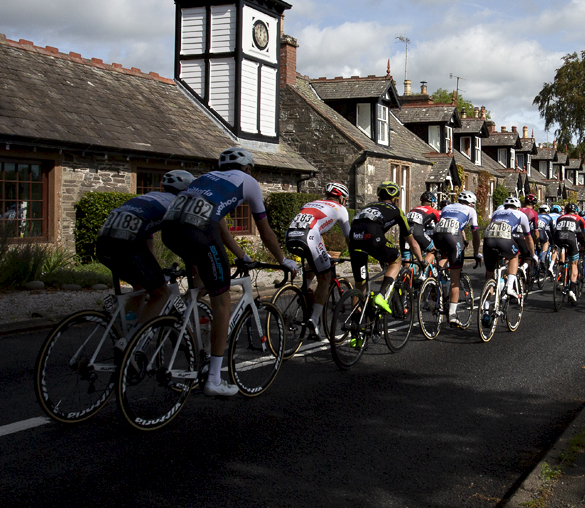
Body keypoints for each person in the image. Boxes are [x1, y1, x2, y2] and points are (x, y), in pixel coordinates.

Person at [161, 148, 298, 397]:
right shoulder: (248, 182)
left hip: (170, 230)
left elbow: (221, 228)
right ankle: (214, 379)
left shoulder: (205, 179)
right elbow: (265, 231)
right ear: (247, 168)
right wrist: (283, 259)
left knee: (206, 281)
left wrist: (243, 256)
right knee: (222, 301)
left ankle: (180, 316)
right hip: (200, 231)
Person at [96, 170, 195, 339]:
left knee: (141, 287)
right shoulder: (179, 204)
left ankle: (125, 335)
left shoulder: (148, 197)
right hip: (128, 245)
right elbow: (181, 241)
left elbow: (148, 241)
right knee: (161, 294)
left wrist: (153, 269)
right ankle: (134, 343)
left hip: (103, 244)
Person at [284, 181, 351, 340]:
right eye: (345, 199)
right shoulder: (340, 209)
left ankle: (304, 292)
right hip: (309, 237)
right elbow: (348, 237)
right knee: (325, 277)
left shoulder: (312, 203)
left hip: (290, 236)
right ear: (341, 198)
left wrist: (325, 253)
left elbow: (317, 229)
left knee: (313, 265)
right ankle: (314, 319)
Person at [347, 181, 422, 315]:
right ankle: (381, 296)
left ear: (378, 198)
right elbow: (412, 242)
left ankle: (355, 328)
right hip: (373, 237)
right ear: (395, 200)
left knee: (360, 284)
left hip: (354, 238)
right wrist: (421, 261)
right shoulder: (397, 211)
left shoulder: (367, 206)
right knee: (396, 260)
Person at [435, 190, 481, 327]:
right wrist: (476, 252)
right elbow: (475, 233)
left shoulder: (447, 207)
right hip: (453, 236)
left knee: (444, 257)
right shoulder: (470, 211)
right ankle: (452, 315)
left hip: (438, 234)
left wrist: (463, 241)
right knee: (455, 277)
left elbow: (452, 224)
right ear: (471, 203)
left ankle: (438, 281)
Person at [483, 196, 534, 298]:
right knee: (514, 256)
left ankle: (485, 307)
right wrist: (532, 254)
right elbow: (528, 238)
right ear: (518, 207)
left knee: (489, 274)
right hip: (504, 239)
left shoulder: (496, 213)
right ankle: (509, 286)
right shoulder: (521, 215)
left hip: (488, 240)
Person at [552, 203, 585, 303]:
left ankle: (561, 268)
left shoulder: (560, 217)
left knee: (562, 249)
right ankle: (571, 289)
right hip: (571, 239)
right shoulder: (579, 218)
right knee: (574, 264)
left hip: (558, 238)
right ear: (575, 211)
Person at [407, 192, 441, 272]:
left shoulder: (413, 209)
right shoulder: (434, 211)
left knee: (407, 263)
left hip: (404, 234)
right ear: (432, 203)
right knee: (433, 250)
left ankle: (405, 281)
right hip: (417, 233)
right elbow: (438, 227)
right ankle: (423, 271)